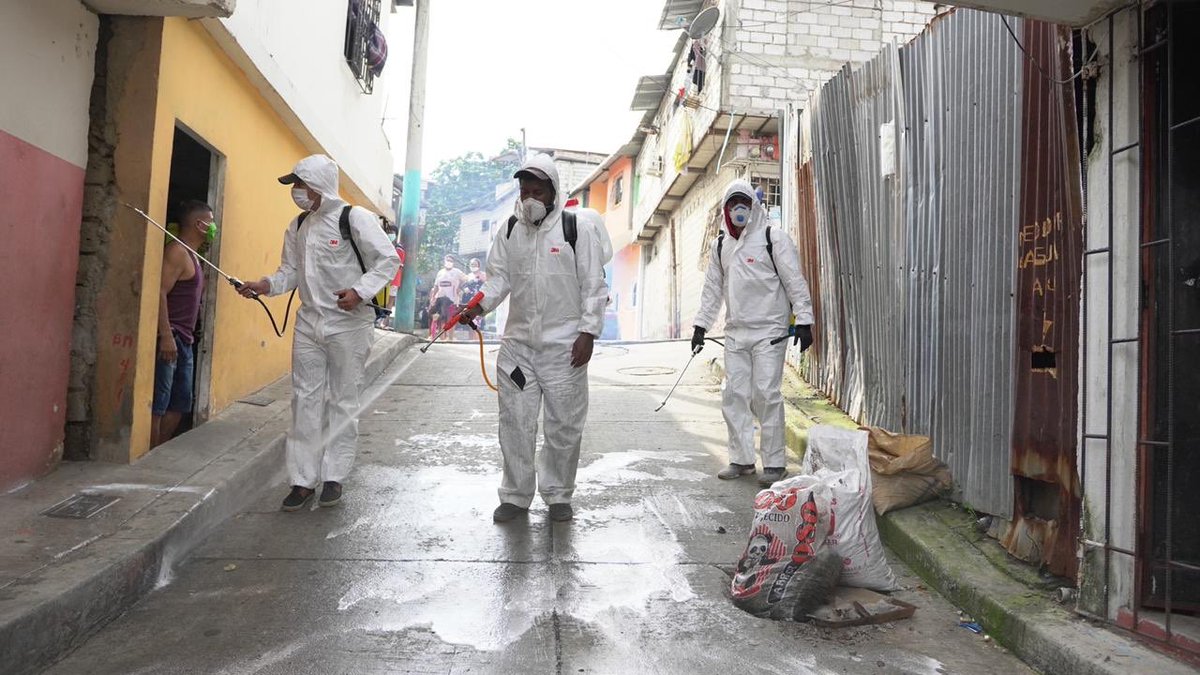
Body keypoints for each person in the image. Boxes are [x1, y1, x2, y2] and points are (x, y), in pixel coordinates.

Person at [238, 154, 400, 511]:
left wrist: (360, 291)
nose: (295, 192)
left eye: (300, 184)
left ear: (319, 185)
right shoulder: (298, 226)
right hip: (310, 323)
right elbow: (289, 272)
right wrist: (265, 285)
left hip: (349, 324)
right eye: (294, 185)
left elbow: (388, 260)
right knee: (304, 400)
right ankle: (301, 480)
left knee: (343, 399)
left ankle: (334, 476)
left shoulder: (354, 218)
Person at [458, 154, 609, 523]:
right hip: (518, 348)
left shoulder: (576, 229)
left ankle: (558, 494)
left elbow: (594, 285)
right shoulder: (510, 229)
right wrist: (478, 306)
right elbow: (499, 279)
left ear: (553, 192)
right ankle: (515, 494)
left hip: (565, 348)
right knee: (514, 423)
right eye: (524, 190)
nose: (529, 198)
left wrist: (588, 333)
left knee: (563, 425)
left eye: (537, 191)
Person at [692, 179, 815, 487]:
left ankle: (774, 464)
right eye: (732, 204)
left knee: (765, 394)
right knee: (734, 395)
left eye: (743, 203)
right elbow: (711, 291)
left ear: (753, 206)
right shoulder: (721, 245)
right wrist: (700, 326)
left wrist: (804, 319)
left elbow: (794, 280)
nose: (738, 210)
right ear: (726, 209)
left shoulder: (773, 238)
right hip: (736, 332)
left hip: (769, 332)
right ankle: (742, 459)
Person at [151, 200, 214, 448]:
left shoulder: (195, 256)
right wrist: (166, 336)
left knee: (179, 404)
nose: (214, 227)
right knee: (160, 403)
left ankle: (158, 449)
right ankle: (150, 455)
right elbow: (160, 292)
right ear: (199, 224)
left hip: (186, 340)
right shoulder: (177, 252)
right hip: (172, 337)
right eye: (211, 222)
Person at [432, 255, 467, 340]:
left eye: (451, 261)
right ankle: (441, 338)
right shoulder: (440, 272)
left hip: (452, 299)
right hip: (441, 298)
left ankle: (450, 338)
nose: (449, 262)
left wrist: (460, 287)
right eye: (447, 260)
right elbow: (436, 285)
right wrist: (433, 297)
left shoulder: (457, 272)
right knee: (441, 318)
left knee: (451, 319)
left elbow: (466, 279)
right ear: (444, 262)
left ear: (453, 262)